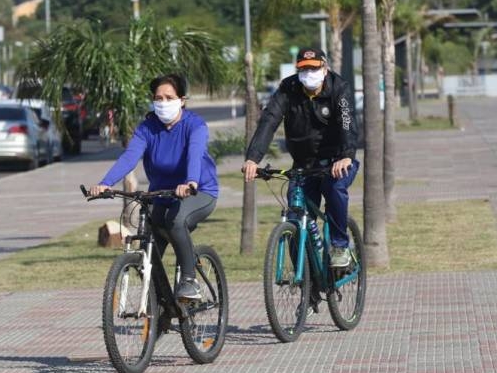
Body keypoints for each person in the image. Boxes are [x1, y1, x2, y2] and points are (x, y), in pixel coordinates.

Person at [90, 74, 218, 300]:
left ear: (182, 100)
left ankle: (189, 280)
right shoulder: (147, 128)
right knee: (149, 250)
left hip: (199, 191)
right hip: (161, 195)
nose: (163, 102)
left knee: (176, 221)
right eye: (158, 98)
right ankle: (162, 309)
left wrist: (190, 182)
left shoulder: (194, 125)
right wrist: (104, 184)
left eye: (169, 97)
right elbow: (130, 157)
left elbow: (195, 155)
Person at [242, 47, 359, 269]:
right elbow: (270, 119)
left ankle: (340, 246)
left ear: (324, 68)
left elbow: (347, 122)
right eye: (303, 69)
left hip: (336, 161)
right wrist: (253, 158)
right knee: (296, 217)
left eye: (314, 68)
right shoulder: (289, 88)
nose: (308, 74)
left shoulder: (338, 88)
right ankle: (306, 280)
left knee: (334, 189)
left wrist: (346, 155)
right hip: (304, 165)